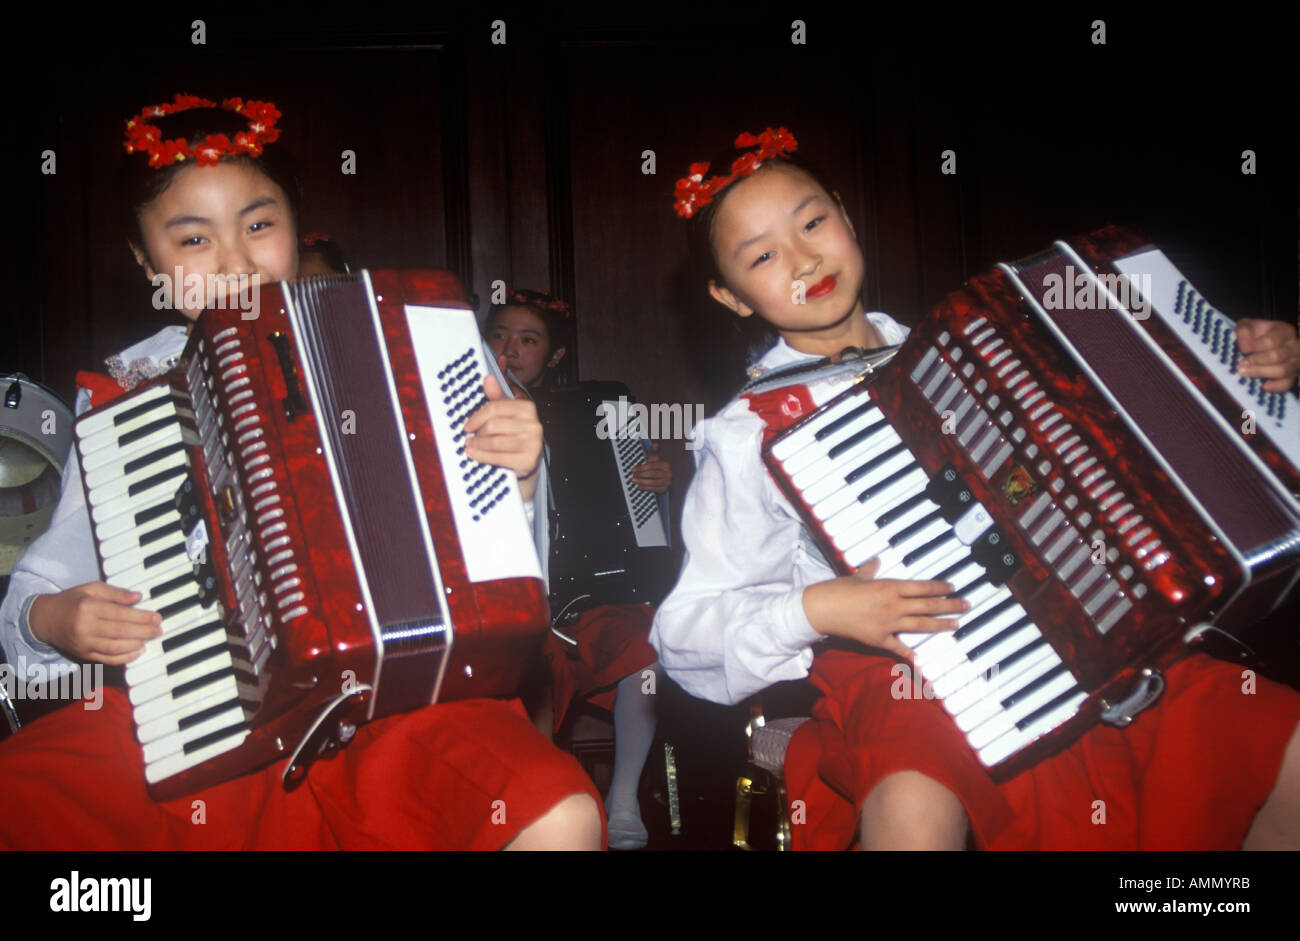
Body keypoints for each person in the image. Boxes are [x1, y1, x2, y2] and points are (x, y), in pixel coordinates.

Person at [650, 126, 1300, 850]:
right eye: (763, 255)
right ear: (728, 295)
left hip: (1083, 637)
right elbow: (684, 634)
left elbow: (1143, 452)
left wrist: (1242, 377)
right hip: (899, 669)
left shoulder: (985, 346)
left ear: (846, 213)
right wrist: (819, 607)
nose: (804, 258)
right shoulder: (750, 431)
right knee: (915, 795)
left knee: (1273, 738)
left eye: (812, 222)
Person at [0, 94, 602, 850]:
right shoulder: (134, 399)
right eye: (192, 240)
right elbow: (34, 594)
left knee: (556, 812)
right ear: (145, 262)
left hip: (399, 703)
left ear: (296, 224)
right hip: (205, 716)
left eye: (259, 224)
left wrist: (517, 476)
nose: (235, 261)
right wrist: (53, 619)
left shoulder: (408, 345)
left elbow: (511, 581)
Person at [486, 288, 668, 849]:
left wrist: (657, 486)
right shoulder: (461, 413)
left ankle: (623, 797)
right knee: (527, 686)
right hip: (508, 602)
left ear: (555, 357)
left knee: (647, 652)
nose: (511, 350)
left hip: (589, 593)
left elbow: (647, 513)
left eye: (529, 340)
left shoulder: (598, 408)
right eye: (499, 336)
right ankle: (540, 805)